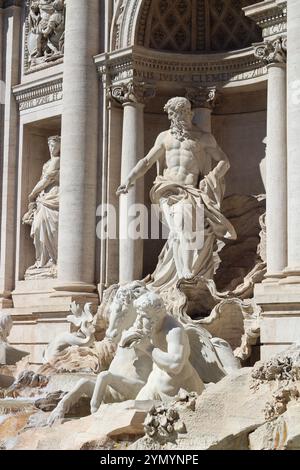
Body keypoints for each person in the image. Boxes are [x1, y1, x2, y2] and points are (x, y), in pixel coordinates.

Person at [117, 97, 236, 292]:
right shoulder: (165, 137)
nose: (173, 118)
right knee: (181, 228)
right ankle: (185, 273)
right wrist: (129, 180)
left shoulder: (203, 138)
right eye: (171, 114)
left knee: (184, 232)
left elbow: (224, 161)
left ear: (188, 113)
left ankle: (178, 275)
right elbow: (147, 161)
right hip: (167, 189)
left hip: (191, 191)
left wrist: (212, 176)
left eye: (177, 113)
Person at [23, 135, 60, 279]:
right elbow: (42, 180)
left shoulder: (57, 161)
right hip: (44, 198)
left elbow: (46, 180)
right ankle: (41, 261)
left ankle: (52, 259)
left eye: (55, 145)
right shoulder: (47, 163)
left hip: (54, 196)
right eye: (51, 145)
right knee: (38, 227)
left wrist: (32, 194)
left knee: (51, 228)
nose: (53, 148)